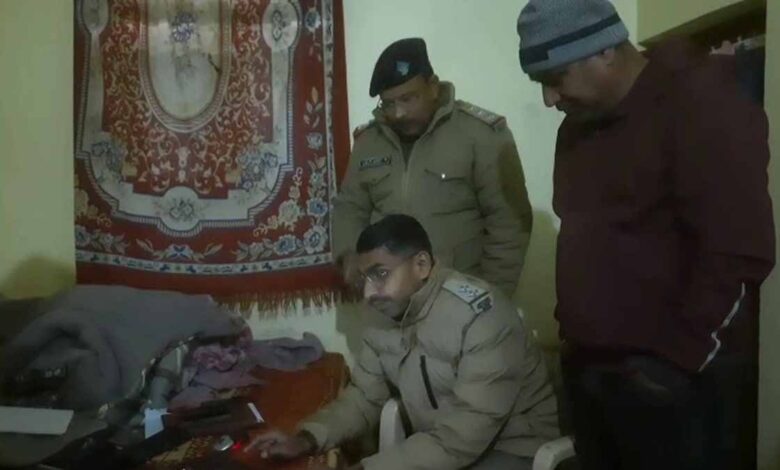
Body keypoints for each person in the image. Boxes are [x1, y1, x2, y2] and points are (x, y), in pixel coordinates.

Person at [516, 1, 775, 470]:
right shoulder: (576, 127)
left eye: (555, 78)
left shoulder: (699, 101)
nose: (549, 99)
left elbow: (738, 251)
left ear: (604, 51)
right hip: (592, 374)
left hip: (674, 385)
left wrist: (676, 363)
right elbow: (584, 235)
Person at [250, 214, 559, 470]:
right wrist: (305, 439)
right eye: (365, 279)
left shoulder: (482, 317)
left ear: (421, 265)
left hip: (511, 450)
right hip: (439, 447)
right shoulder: (385, 312)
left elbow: (464, 435)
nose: (369, 293)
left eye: (381, 274)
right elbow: (364, 398)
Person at [333, 37, 533, 297]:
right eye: (389, 103)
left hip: (458, 296)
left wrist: (490, 296)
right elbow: (350, 207)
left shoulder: (480, 136)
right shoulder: (369, 142)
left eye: (408, 98)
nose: (399, 113)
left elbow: (508, 223)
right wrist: (350, 256)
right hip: (389, 299)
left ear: (433, 87)